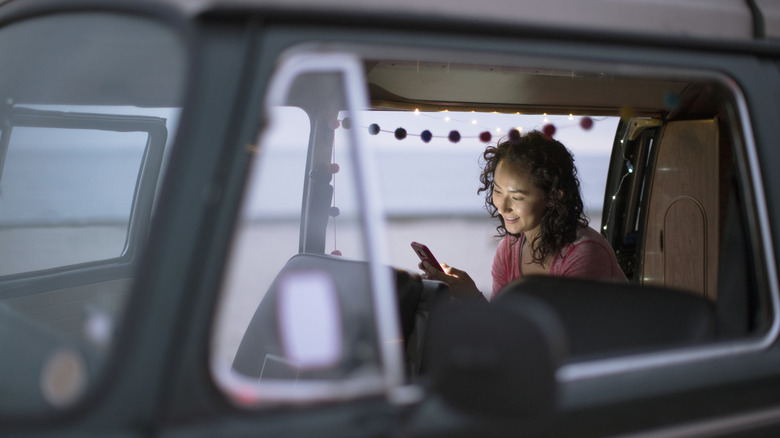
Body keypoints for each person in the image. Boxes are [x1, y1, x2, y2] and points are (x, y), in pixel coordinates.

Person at [420, 130, 626, 301]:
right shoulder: (508, 252)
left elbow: (562, 336)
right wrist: (467, 294)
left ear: (553, 196)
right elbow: (503, 325)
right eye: (498, 191)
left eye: (516, 197)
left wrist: (471, 297)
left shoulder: (585, 255)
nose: (502, 207)